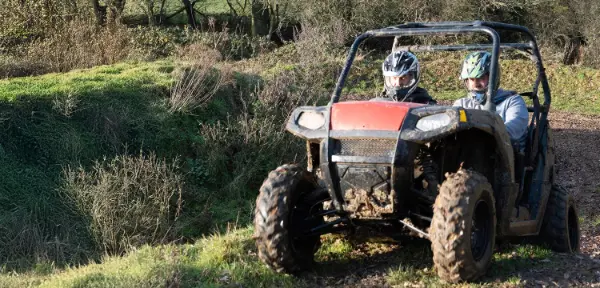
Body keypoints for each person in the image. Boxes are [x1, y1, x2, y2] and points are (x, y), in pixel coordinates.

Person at [453, 51, 528, 151]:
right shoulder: (462, 104)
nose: (476, 84)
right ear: (466, 81)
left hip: (505, 154)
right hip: (470, 154)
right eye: (471, 79)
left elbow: (513, 130)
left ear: (494, 77)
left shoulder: (512, 101)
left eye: (481, 78)